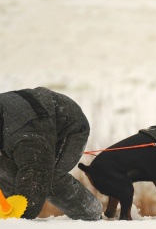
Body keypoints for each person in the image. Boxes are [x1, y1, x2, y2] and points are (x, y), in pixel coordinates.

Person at [0, 87, 102, 219]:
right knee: (7, 172)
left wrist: (20, 218)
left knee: (49, 179)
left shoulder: (26, 133)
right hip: (31, 127)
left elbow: (37, 171)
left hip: (69, 130)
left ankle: (91, 213)